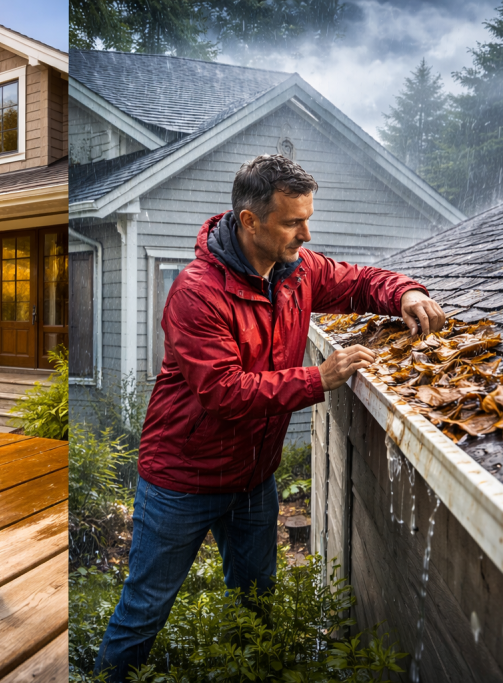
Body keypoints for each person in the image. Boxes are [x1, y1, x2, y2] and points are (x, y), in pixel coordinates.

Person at [94, 154, 445, 680]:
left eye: (307, 217)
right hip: (181, 483)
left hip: (253, 482)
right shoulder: (196, 292)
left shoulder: (296, 272)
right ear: (249, 220)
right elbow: (223, 392)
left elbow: (357, 281)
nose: (306, 233)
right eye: (292, 221)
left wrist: (405, 292)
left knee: (256, 607)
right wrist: (317, 378)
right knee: (143, 612)